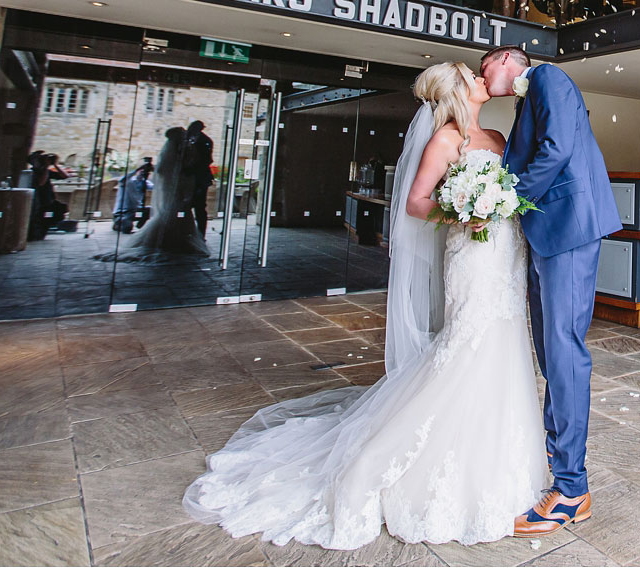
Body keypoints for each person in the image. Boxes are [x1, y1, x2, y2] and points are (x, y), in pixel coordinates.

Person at [184, 61, 547, 547]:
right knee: (468, 345)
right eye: (473, 75)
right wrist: (465, 211)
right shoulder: (444, 141)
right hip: (471, 256)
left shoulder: (500, 138)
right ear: (457, 91)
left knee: (505, 346)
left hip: (505, 257)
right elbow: (418, 203)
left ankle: (502, 460)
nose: (483, 78)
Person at [479, 45, 622, 535]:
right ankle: (554, 450)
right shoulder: (528, 99)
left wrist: (508, 200)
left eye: (485, 67)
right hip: (550, 233)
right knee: (549, 347)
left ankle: (572, 489)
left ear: (507, 59)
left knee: (563, 349)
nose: (483, 76)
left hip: (569, 228)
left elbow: (557, 148)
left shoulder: (548, 77)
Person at [98, 127, 207, 260]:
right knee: (175, 213)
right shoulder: (178, 155)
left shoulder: (175, 154)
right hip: (175, 189)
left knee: (175, 213)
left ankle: (174, 241)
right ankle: (172, 241)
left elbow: (163, 172)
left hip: (174, 189)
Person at [180, 120, 214, 238]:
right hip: (192, 177)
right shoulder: (192, 140)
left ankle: (200, 234)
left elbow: (207, 160)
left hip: (199, 178)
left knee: (199, 207)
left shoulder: (205, 141)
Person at [112, 159, 153, 234]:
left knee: (150, 210)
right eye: (141, 172)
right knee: (127, 229)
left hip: (134, 211)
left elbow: (155, 187)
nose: (142, 174)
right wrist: (138, 169)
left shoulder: (145, 183)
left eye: (145, 173)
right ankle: (118, 223)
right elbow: (122, 179)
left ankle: (139, 226)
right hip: (122, 212)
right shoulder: (128, 182)